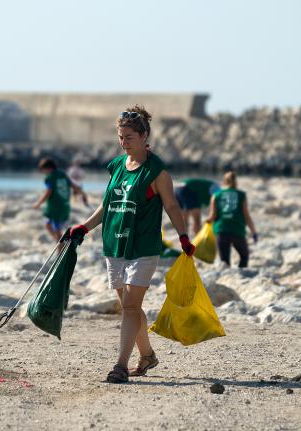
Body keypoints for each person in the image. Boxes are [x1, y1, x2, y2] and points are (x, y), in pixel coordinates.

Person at [68, 105, 195, 384]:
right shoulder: (116, 166)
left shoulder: (156, 171)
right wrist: (83, 228)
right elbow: (107, 206)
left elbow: (172, 207)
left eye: (129, 137)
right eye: (120, 136)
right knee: (129, 306)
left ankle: (120, 366)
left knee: (129, 308)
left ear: (144, 135)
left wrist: (184, 237)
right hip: (114, 244)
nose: (123, 142)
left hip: (143, 248)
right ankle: (147, 355)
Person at [205, 171, 258, 268]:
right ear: (235, 181)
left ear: (224, 181)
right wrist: (254, 232)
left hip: (221, 230)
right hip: (237, 230)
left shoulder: (216, 195)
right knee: (244, 256)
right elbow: (246, 216)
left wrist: (205, 224)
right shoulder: (241, 195)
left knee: (224, 262)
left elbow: (212, 216)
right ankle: (241, 274)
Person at [33, 158, 84, 242]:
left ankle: (60, 245)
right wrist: (82, 193)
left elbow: (48, 192)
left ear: (48, 168)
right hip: (64, 206)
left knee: (57, 230)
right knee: (48, 224)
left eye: (43, 171)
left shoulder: (50, 177)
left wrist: (38, 203)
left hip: (55, 207)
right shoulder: (62, 174)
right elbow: (73, 185)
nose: (44, 173)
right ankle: (58, 240)